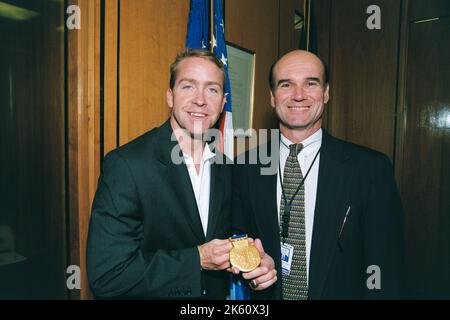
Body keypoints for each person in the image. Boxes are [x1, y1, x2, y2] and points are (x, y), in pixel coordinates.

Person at [86, 48, 275, 299]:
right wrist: (196, 259)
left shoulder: (228, 169)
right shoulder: (127, 165)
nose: (200, 100)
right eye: (188, 87)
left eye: (212, 89)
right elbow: (107, 276)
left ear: (222, 102)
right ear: (170, 96)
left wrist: (257, 268)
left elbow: (233, 245)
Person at [232, 50, 404, 299]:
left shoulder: (370, 169)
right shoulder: (245, 167)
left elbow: (386, 269)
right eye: (286, 84)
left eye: (310, 83)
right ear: (272, 97)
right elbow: (239, 244)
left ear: (326, 93)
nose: (298, 95)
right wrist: (254, 276)